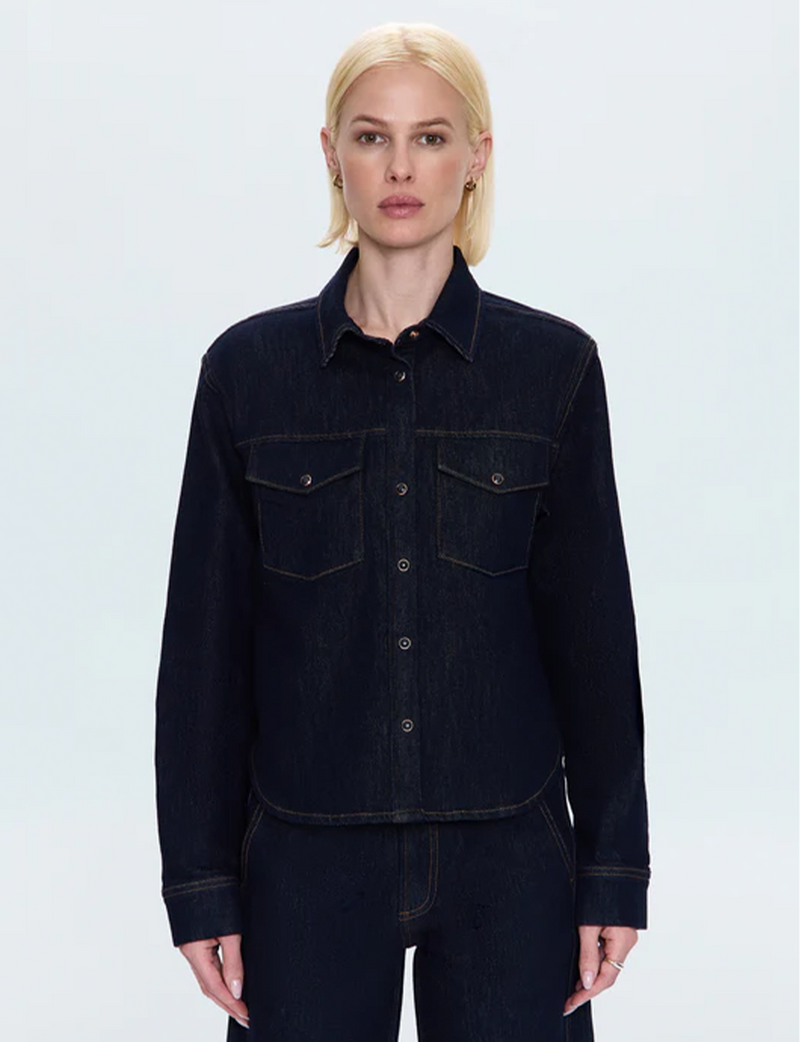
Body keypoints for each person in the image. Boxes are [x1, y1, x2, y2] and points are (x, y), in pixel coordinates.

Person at [154, 20, 651, 1041]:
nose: (400, 167)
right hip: (303, 850)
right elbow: (204, 654)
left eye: (431, 137)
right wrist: (199, 883)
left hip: (509, 848)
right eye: (371, 135)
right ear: (330, 153)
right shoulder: (247, 374)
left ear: (476, 157)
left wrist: (614, 868)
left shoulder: (551, 370)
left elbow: (595, 641)